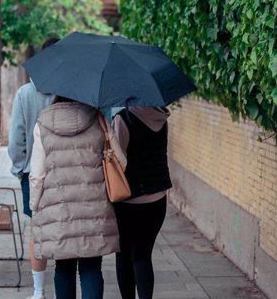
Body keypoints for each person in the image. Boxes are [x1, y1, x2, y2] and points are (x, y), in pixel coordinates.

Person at [29, 96, 126, 299]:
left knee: (63, 267)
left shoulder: (43, 124)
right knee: (91, 267)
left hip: (58, 211)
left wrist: (34, 206)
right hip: (95, 209)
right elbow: (121, 163)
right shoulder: (98, 119)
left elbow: (37, 175)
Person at [8, 36, 59, 299]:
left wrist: (21, 170)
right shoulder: (70, 93)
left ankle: (38, 292)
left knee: (37, 232)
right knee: (63, 229)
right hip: (64, 174)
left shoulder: (25, 94)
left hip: (32, 175)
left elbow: (16, 140)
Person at [112, 106, 172, 299]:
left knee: (123, 255)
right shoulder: (161, 118)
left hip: (128, 202)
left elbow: (118, 162)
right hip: (157, 201)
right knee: (143, 256)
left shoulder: (123, 119)